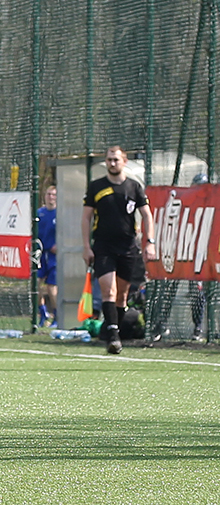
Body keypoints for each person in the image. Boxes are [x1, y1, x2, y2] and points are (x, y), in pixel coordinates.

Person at [82, 146, 158, 354]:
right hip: (103, 246)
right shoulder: (97, 186)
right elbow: (86, 217)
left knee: (122, 296)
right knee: (109, 290)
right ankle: (113, 337)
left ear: (124, 161)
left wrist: (150, 242)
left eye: (116, 159)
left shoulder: (134, 187)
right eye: (109, 159)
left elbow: (147, 215)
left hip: (127, 247)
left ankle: (112, 331)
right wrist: (86, 247)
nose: (112, 163)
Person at [36, 184, 58, 327]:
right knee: (36, 284)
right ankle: (43, 312)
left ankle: (56, 315)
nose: (50, 197)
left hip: (53, 256)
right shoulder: (39, 213)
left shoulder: (60, 214)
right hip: (40, 254)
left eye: (53, 195)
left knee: (51, 286)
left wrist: (59, 245)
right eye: (48, 194)